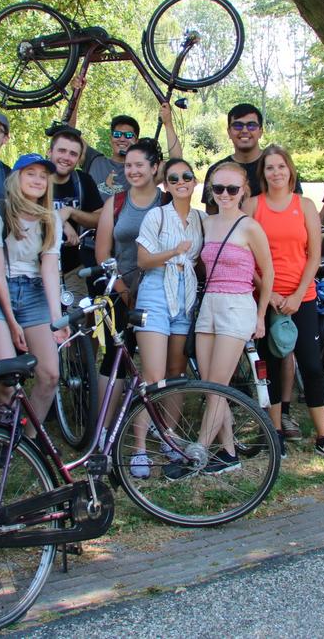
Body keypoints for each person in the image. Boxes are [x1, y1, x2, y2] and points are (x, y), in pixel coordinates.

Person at [247, 146, 324, 462]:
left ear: (290, 170)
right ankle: (276, 433)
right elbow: (247, 258)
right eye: (269, 168)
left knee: (312, 366)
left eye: (281, 166)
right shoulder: (252, 206)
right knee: (273, 366)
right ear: (262, 173)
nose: (275, 173)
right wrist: (271, 295)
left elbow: (314, 256)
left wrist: (295, 295)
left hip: (301, 298)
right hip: (266, 299)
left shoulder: (303, 206)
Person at [190, 161, 274, 475]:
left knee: (217, 386)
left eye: (232, 188)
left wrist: (262, 315)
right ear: (210, 190)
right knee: (211, 384)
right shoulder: (206, 223)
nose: (225, 194)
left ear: (243, 191)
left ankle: (199, 450)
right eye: (218, 188)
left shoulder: (249, 226)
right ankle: (228, 453)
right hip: (210, 302)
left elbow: (268, 273)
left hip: (238, 305)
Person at [126, 157, 205, 477]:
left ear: (195, 182)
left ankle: (169, 436)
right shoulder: (156, 216)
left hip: (185, 297)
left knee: (176, 373)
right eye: (173, 178)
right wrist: (174, 253)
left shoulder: (201, 219)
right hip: (156, 295)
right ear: (165, 185)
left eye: (187, 176)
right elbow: (143, 260)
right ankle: (139, 447)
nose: (181, 181)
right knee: (153, 375)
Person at [0, 153, 67, 434]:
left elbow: (50, 270)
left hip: (34, 291)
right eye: (31, 173)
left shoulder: (51, 217)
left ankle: (27, 439)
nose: (38, 180)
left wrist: (56, 319)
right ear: (17, 178)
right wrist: (12, 322)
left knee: (50, 375)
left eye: (43, 175)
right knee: (8, 379)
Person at [94, 140, 164, 405]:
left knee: (156, 360)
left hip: (158, 291)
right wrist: (123, 291)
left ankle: (156, 424)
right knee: (116, 357)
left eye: (139, 165)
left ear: (154, 167)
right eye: (128, 165)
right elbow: (102, 253)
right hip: (120, 289)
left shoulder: (165, 200)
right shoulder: (117, 202)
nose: (132, 171)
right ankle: (105, 428)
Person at [67, 74, 180, 185]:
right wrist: (76, 95)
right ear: (111, 138)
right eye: (117, 134)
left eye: (128, 135)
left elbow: (177, 165)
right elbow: (68, 134)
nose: (122, 138)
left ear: (136, 141)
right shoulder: (94, 160)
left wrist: (168, 123)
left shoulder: (144, 171)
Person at [202, 103, 300, 215]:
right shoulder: (217, 171)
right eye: (237, 125)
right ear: (229, 132)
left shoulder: (279, 166)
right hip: (232, 232)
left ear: (261, 131)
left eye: (251, 125)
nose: (244, 130)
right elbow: (212, 217)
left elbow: (297, 209)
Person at [47, 126, 104, 300]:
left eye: (73, 154)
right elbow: (25, 209)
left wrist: (71, 212)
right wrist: (61, 221)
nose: (66, 157)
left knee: (77, 320)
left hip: (72, 267)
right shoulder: (36, 176)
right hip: (35, 269)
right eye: (62, 151)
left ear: (79, 158)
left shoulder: (83, 181)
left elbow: (99, 219)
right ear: (49, 152)